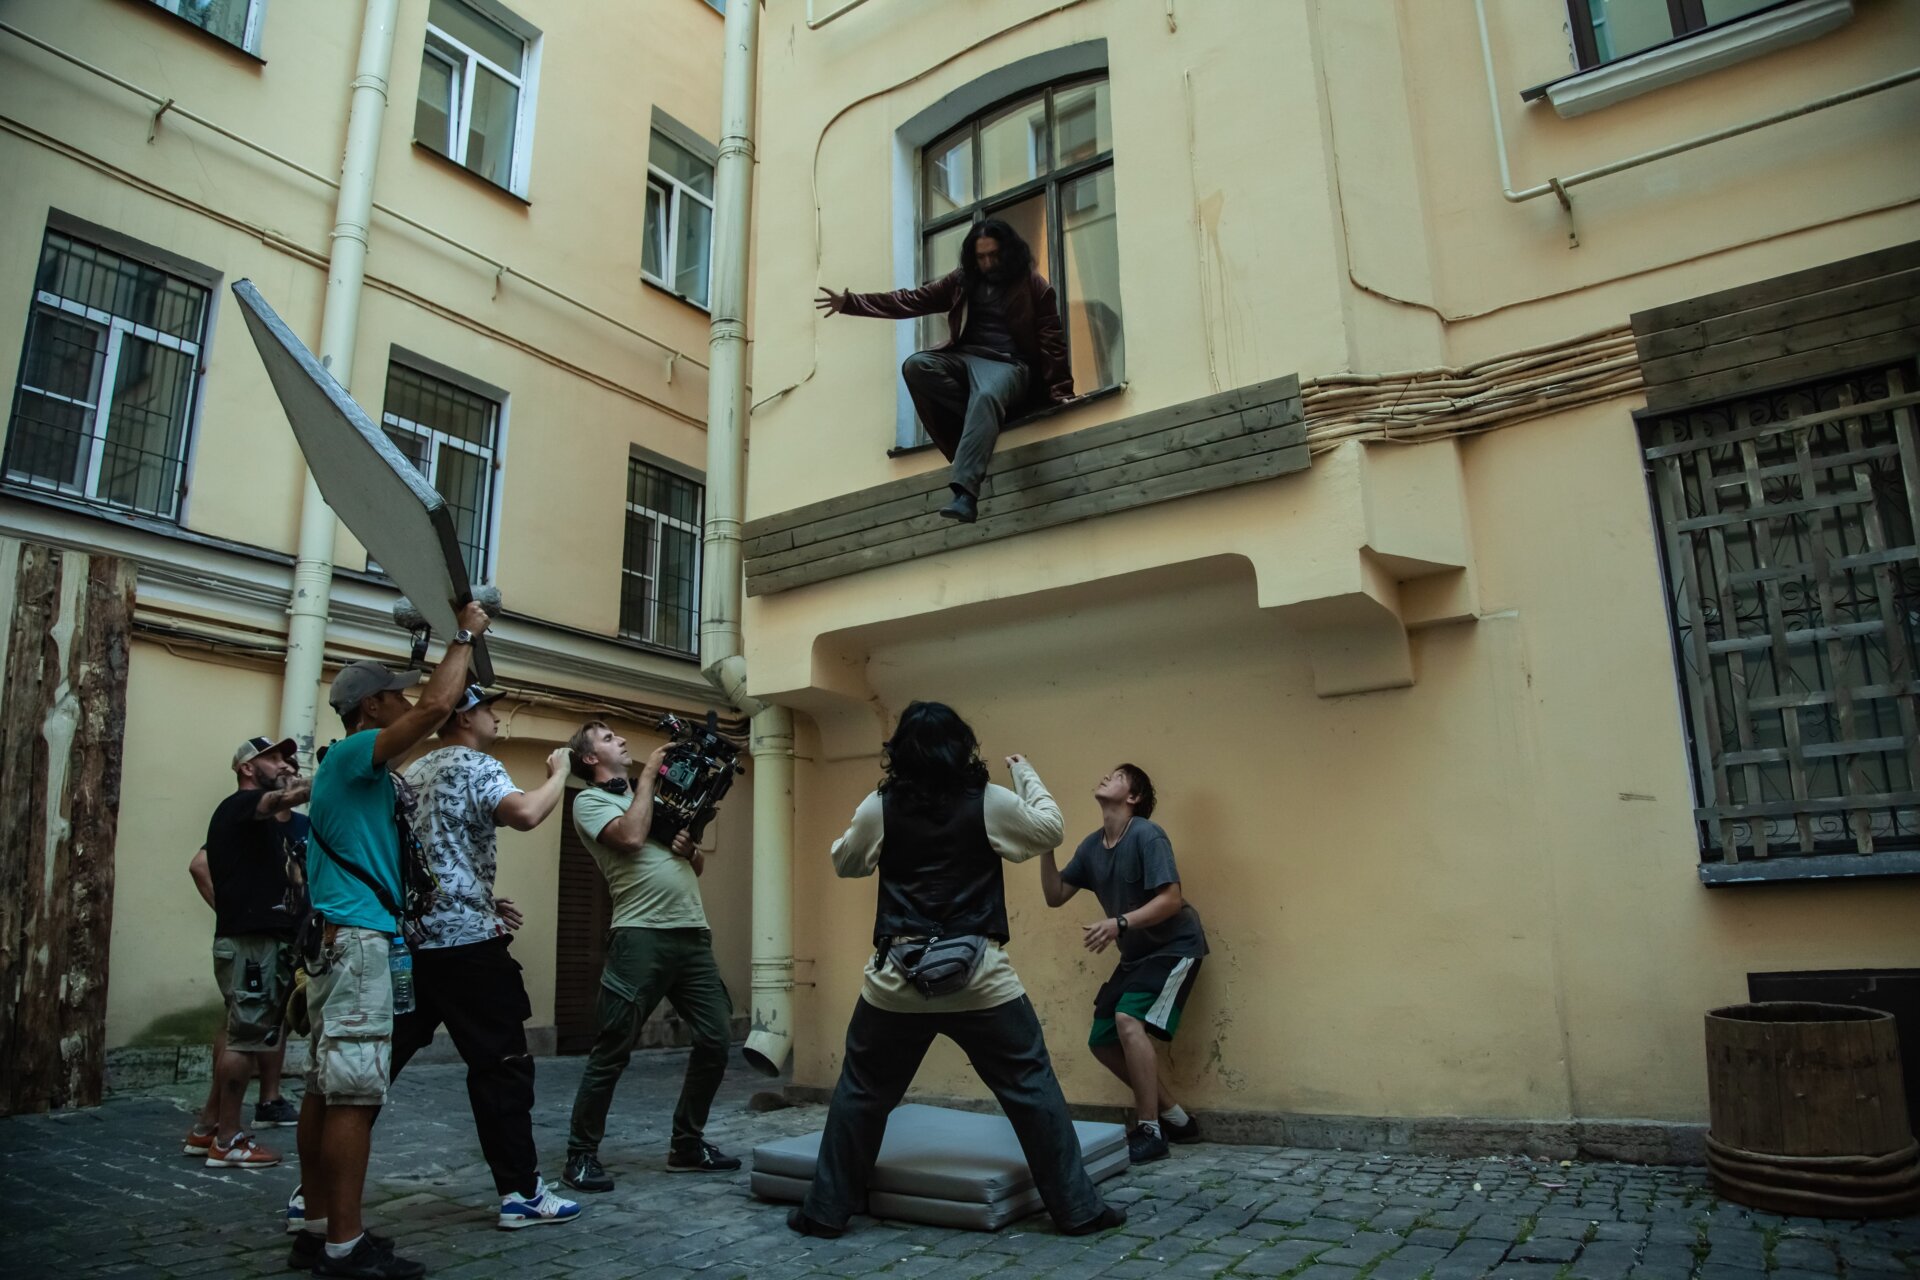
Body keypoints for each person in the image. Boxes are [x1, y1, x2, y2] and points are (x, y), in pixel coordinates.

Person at [788, 702, 1126, 1240]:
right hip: (982, 980)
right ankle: (1078, 1210)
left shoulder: (880, 806)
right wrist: (1025, 772)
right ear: (961, 746)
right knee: (1031, 1086)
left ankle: (825, 1212)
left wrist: (852, 835)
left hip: (896, 983)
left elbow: (845, 862)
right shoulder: (987, 800)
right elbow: (1050, 830)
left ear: (899, 752)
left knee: (862, 1091)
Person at [289, 599, 489, 1280]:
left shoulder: (352, 768)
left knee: (324, 1086)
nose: (406, 703)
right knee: (353, 1093)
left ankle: (318, 1228)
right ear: (371, 706)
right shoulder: (353, 753)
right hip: (357, 943)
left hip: (339, 940)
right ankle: (344, 1247)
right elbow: (436, 707)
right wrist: (465, 635)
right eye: (395, 696)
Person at [390, 685, 581, 1230]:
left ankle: (318, 1188)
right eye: (488, 709)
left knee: (378, 1064)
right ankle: (521, 1193)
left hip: (416, 940)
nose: (496, 717)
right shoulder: (478, 765)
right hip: (470, 948)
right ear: (464, 717)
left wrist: (477, 895)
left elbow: (424, 855)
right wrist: (559, 775)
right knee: (503, 1069)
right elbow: (525, 814)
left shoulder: (414, 772)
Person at [561, 721, 738, 1193]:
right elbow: (631, 839)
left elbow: (693, 863)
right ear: (590, 759)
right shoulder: (590, 802)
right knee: (613, 1047)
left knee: (716, 1039)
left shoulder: (653, 800)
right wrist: (646, 779)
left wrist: (691, 849)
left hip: (692, 933)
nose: (620, 739)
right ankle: (581, 1154)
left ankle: (687, 1144)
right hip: (640, 935)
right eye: (607, 738)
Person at [815, 218, 1071, 523]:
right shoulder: (963, 281)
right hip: (966, 358)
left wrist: (1062, 392)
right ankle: (981, 423)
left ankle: (965, 495)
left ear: (1008, 251)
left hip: (1009, 364)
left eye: (994, 255)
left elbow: (1052, 341)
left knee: (986, 394)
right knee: (917, 365)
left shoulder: (1033, 285)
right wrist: (852, 303)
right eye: (981, 257)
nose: (988, 263)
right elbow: (911, 300)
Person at [1040, 763, 1209, 1165]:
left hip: (1175, 947)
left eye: (1117, 776)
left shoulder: (1147, 835)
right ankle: (1178, 1120)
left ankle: (1150, 1130)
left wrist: (1119, 923)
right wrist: (1044, 845)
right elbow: (1055, 894)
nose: (1106, 776)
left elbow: (1171, 899)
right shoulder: (1091, 847)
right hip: (1136, 956)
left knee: (1127, 1019)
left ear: (1133, 797)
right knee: (1102, 1040)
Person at [180, 737, 310, 1168]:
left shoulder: (270, 823)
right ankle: (229, 1141)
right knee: (244, 1038)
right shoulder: (239, 806)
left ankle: (207, 1128)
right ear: (246, 768)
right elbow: (285, 797)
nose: (284, 763)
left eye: (286, 757)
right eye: (272, 757)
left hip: (268, 941)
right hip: (253, 944)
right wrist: (338, 774)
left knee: (247, 1032)